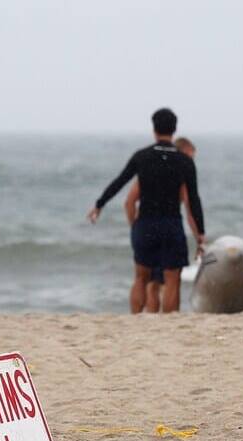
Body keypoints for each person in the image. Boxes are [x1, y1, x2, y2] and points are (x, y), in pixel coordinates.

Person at [87, 108, 206, 313]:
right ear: (174, 129)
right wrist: (201, 234)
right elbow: (193, 200)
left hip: (146, 223)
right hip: (171, 224)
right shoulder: (184, 161)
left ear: (154, 129)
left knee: (141, 277)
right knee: (172, 280)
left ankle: (135, 319)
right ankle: (168, 323)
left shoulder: (142, 157)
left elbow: (120, 181)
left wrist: (100, 204)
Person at [124, 137, 201, 312]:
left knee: (149, 280)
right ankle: (168, 320)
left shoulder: (149, 172)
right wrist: (199, 238)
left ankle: (142, 317)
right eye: (190, 158)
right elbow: (190, 210)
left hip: (147, 228)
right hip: (169, 227)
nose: (191, 163)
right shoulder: (180, 176)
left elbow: (129, 202)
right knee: (172, 281)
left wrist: (135, 227)